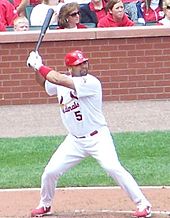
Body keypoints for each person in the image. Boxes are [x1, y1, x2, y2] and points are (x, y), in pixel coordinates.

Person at [26, 49, 152, 218]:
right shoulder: (62, 81)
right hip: (74, 141)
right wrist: (35, 69)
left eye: (84, 62)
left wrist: (40, 65)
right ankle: (45, 204)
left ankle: (143, 204)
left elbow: (56, 78)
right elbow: (45, 84)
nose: (84, 65)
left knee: (113, 167)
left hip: (98, 137)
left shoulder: (90, 82)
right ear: (70, 68)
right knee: (50, 172)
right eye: (79, 64)